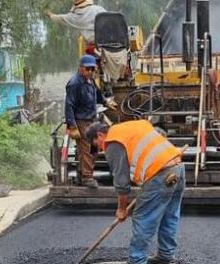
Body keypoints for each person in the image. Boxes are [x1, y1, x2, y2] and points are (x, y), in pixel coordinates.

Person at [85, 120, 186, 264]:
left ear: (100, 135)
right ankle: (166, 255)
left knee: (143, 217)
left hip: (160, 173)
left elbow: (121, 180)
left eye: (97, 145)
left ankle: (137, 260)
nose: (101, 150)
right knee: (169, 215)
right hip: (177, 168)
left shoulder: (113, 141)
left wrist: (121, 209)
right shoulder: (133, 126)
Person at [65, 54, 117, 188]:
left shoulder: (90, 80)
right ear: (80, 68)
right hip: (81, 120)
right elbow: (69, 105)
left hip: (92, 118)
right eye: (87, 69)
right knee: (86, 149)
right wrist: (72, 126)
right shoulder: (74, 83)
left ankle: (82, 174)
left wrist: (106, 102)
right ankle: (86, 177)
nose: (90, 72)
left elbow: (97, 94)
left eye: (92, 69)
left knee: (94, 148)